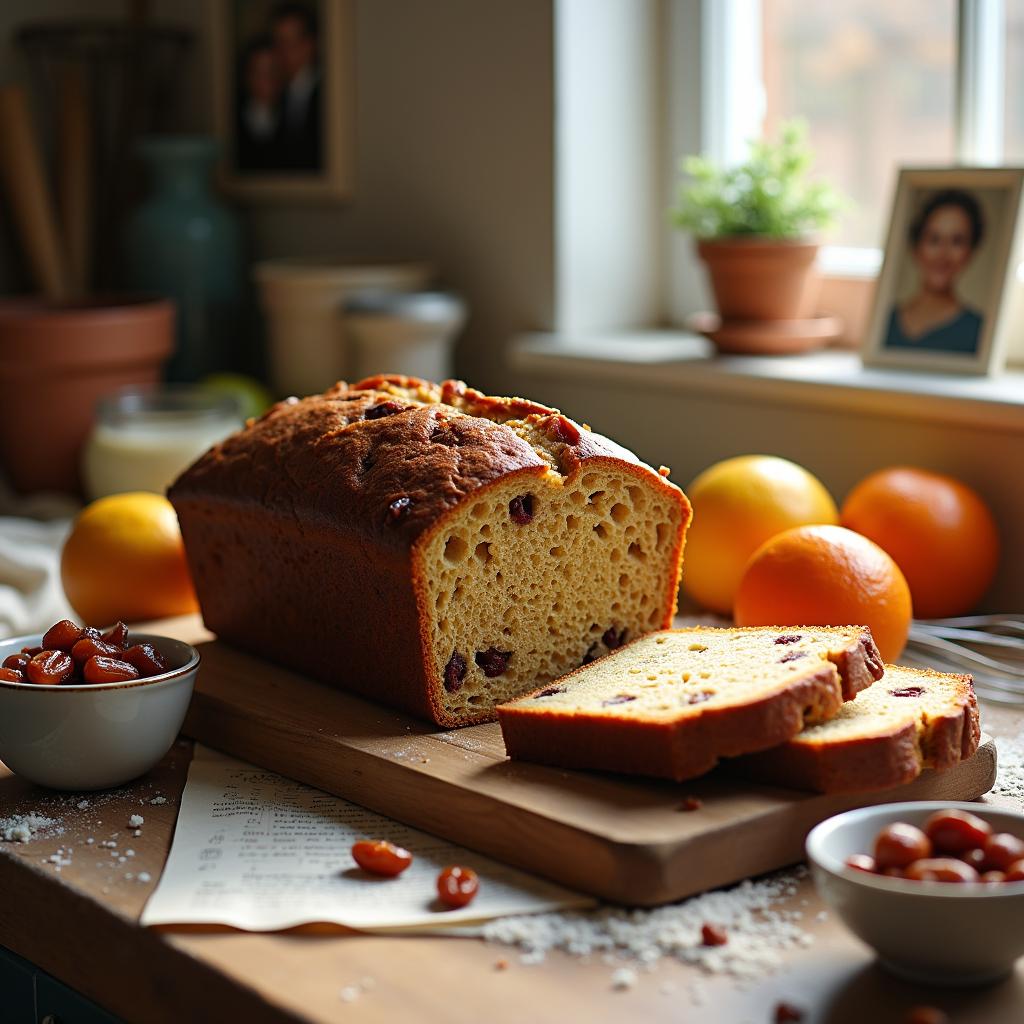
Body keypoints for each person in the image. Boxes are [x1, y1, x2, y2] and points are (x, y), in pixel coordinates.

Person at [883, 189, 985, 355]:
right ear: (917, 247)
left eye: (957, 242)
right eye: (934, 240)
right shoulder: (885, 321)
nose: (943, 254)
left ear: (970, 252)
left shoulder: (979, 330)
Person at [269, 2, 322, 170]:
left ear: (310, 44)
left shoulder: (330, 95)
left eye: (290, 43)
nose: (282, 52)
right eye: (278, 44)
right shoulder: (274, 92)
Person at [235, 35, 285, 172]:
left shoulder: (293, 117)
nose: (267, 80)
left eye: (272, 70)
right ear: (247, 76)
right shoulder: (232, 120)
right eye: (259, 72)